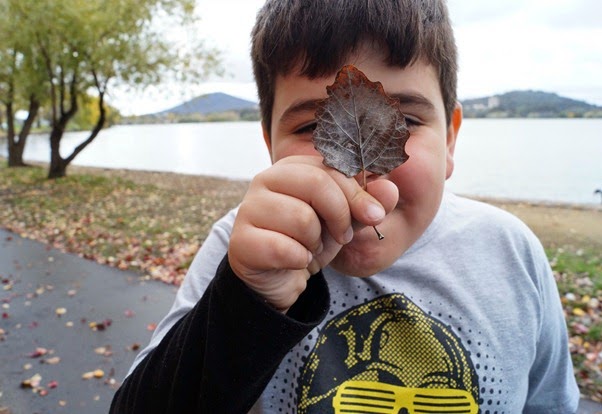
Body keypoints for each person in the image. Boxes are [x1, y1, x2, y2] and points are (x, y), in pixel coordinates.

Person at [110, 0, 579, 412]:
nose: (363, 175)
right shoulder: (240, 255)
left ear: (451, 138)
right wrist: (246, 301)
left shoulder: (510, 252)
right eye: (314, 128)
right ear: (268, 143)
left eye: (406, 121)